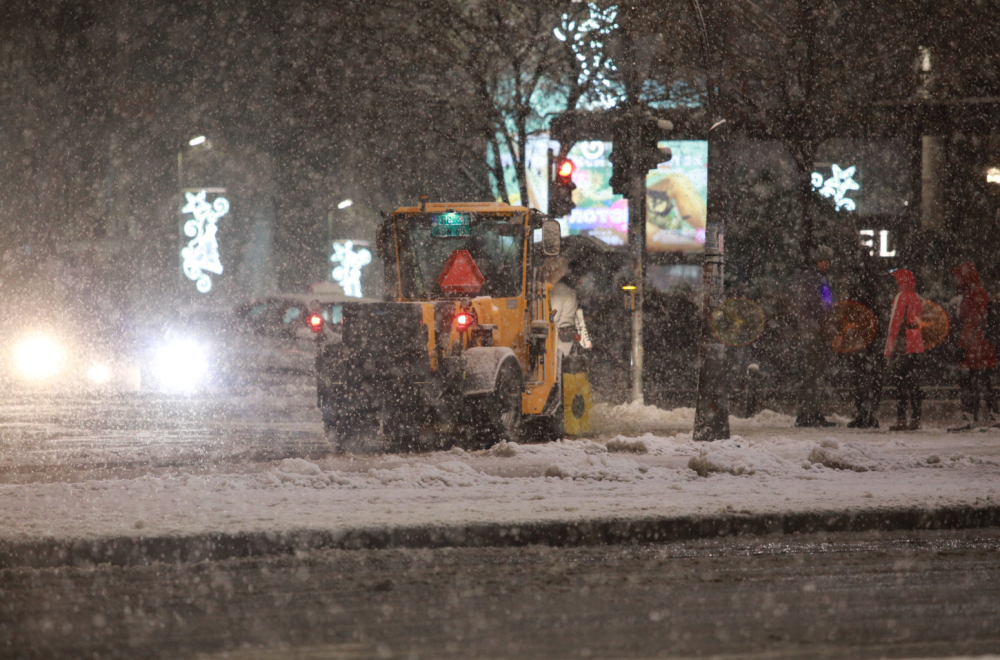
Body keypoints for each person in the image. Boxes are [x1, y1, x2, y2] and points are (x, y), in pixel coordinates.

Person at [949, 262, 997, 431]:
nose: (956, 279)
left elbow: (971, 323)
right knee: (981, 381)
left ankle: (970, 416)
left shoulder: (972, 294)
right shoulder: (976, 293)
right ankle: (992, 415)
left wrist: (962, 346)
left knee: (971, 381)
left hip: (974, 345)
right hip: (979, 344)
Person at [795, 245, 837, 427]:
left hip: (815, 329)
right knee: (813, 373)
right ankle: (808, 414)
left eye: (827, 261)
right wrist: (826, 325)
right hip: (813, 330)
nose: (824, 264)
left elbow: (825, 305)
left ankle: (811, 412)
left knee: (814, 373)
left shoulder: (820, 279)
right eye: (822, 261)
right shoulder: (814, 279)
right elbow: (819, 305)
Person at [883, 268, 924, 431]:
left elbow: (895, 323)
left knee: (900, 382)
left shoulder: (900, 297)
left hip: (903, 343)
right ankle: (916, 418)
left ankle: (901, 419)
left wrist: (888, 349)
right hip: (915, 341)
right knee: (913, 382)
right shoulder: (916, 297)